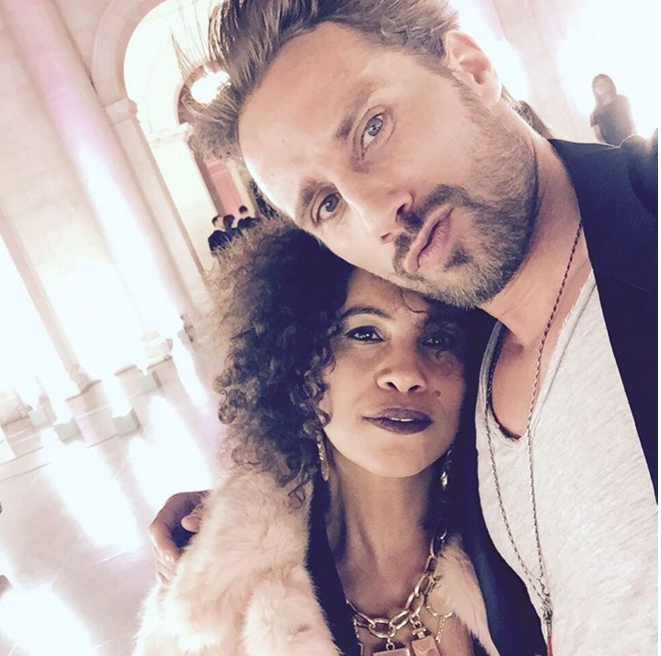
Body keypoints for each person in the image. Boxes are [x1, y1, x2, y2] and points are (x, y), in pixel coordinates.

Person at [155, 2, 657, 655]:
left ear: (470, 68)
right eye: (326, 204)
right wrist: (240, 523)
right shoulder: (472, 378)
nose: (375, 214)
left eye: (371, 129)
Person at [137, 222, 498, 656]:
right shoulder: (214, 606)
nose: (405, 373)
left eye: (439, 338)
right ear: (303, 370)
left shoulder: (517, 549)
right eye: (365, 333)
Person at [589, 73, 635, 146]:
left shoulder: (622, 100)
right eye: (597, 85)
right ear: (594, 89)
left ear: (609, 83)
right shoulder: (595, 113)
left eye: (604, 83)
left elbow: (631, 121)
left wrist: (634, 140)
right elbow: (599, 138)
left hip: (631, 143)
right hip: (613, 148)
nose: (601, 87)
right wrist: (611, 149)